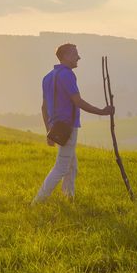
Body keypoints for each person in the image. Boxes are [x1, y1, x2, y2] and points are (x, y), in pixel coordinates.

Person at [31, 43, 114, 204]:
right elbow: (78, 101)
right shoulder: (67, 75)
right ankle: (37, 202)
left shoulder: (47, 77)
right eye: (76, 54)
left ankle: (69, 198)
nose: (78, 57)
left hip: (56, 126)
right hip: (68, 126)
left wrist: (48, 131)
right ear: (66, 56)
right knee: (61, 167)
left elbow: (44, 107)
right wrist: (102, 112)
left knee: (71, 166)